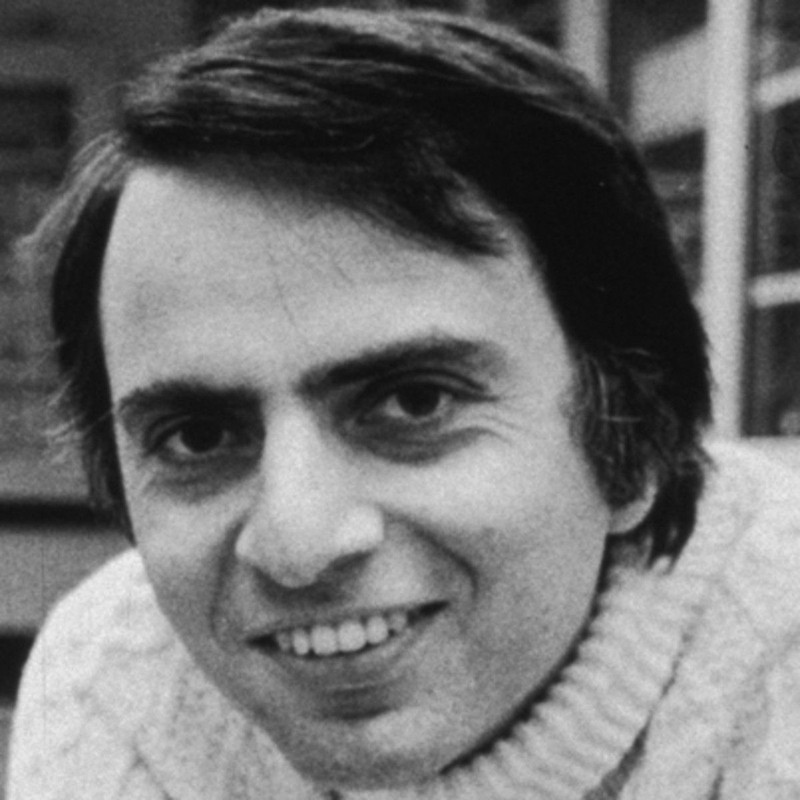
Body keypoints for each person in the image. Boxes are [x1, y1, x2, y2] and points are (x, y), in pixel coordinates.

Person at [7, 7, 800, 799]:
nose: (297, 545)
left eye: (415, 404)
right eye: (198, 436)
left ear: (634, 440)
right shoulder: (115, 685)